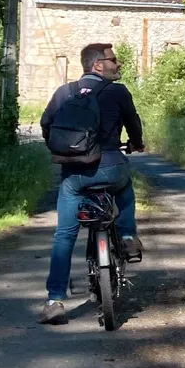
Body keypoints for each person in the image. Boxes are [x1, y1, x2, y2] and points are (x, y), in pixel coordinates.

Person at [37, 42, 144, 325]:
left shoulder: (65, 92)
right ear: (98, 65)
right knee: (124, 186)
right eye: (113, 60)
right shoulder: (118, 92)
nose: (118, 64)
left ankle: (54, 301)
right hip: (110, 166)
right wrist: (136, 143)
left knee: (64, 235)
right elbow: (133, 123)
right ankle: (129, 235)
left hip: (75, 175)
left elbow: (46, 124)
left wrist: (63, 150)